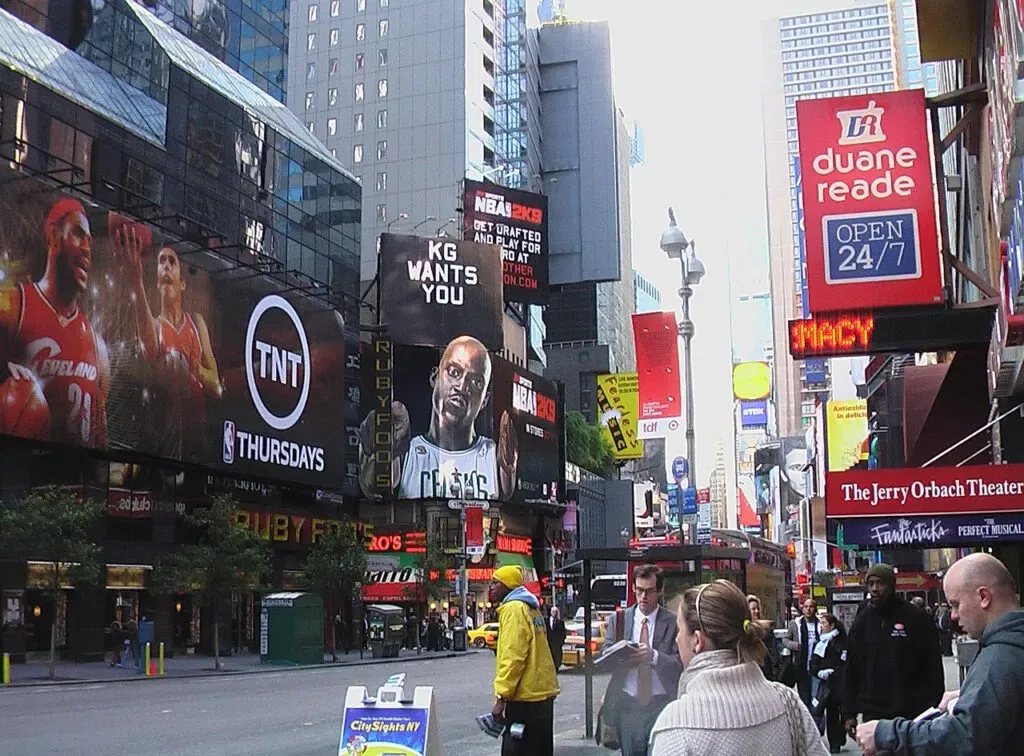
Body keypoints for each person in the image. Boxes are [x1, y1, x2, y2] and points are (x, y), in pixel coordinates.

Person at [856, 552, 1024, 755]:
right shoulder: (1009, 649)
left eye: (955, 604)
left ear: (983, 597)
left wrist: (886, 733)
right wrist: (969, 694)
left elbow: (965, 737)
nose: (953, 615)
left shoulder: (999, 659)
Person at [649, 579, 827, 755]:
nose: (677, 639)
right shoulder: (789, 704)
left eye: (679, 630)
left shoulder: (675, 724)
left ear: (697, 640)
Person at [0, 197, 110, 446]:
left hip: (72, 479)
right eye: (78, 235)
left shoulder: (97, 346)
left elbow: (99, 439)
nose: (87, 249)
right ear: (53, 237)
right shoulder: (12, 306)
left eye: (90, 242)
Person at [357, 335, 518, 499]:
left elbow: (508, 496)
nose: (461, 386)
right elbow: (373, 489)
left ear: (484, 400)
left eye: (476, 382)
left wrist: (508, 471)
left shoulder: (493, 454)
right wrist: (378, 454)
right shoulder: (407, 452)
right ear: (435, 377)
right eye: (454, 372)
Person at [116, 237, 221, 458]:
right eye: (161, 261)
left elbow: (217, 387)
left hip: (198, 438)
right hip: (164, 440)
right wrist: (136, 282)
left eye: (171, 262)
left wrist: (197, 370)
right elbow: (150, 350)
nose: (165, 266)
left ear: (182, 283)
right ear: (156, 282)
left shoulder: (196, 322)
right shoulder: (153, 325)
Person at [843, 563, 943, 738]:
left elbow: (932, 665)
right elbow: (852, 668)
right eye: (871, 583)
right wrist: (848, 713)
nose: (875, 589)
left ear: (891, 585)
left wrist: (935, 705)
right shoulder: (862, 622)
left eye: (880, 583)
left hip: (911, 712)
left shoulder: (916, 618)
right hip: (874, 714)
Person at [600, 565, 683, 756]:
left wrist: (653, 656)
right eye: (639, 590)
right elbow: (604, 657)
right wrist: (622, 656)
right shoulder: (619, 620)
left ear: (660, 591)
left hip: (661, 705)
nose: (643, 597)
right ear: (633, 589)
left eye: (649, 591)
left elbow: (680, 664)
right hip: (628, 705)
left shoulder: (673, 622)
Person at [489, 565, 559, 756]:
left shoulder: (513, 609)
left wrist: (501, 696)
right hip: (542, 695)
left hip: (524, 698)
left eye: (496, 582)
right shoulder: (532, 608)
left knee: (517, 749)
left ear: (508, 585)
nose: (491, 587)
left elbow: (513, 657)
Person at [809, 612, 847, 754]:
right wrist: (819, 673)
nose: (821, 627)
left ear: (832, 626)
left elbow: (845, 661)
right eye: (821, 623)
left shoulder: (841, 641)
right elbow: (814, 664)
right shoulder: (821, 643)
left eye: (824, 623)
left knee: (843, 712)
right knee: (831, 714)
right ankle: (834, 744)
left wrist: (835, 671)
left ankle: (841, 735)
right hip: (828, 685)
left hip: (841, 683)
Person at [783, 596, 821, 709]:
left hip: (816, 668)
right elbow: (785, 639)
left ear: (815, 609)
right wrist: (794, 645)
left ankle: (816, 722)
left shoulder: (820, 625)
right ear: (802, 609)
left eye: (811, 607)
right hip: (801, 667)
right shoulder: (795, 624)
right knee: (804, 699)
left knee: (816, 699)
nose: (808, 609)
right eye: (806, 607)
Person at [746, 594, 779, 681]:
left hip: (766, 672)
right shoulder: (742, 630)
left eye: (757, 609)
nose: (756, 611)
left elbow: (773, 652)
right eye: (753, 609)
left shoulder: (766, 630)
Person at [546, 606, 566, 672]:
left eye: (556, 612)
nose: (555, 613)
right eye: (553, 611)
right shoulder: (546, 621)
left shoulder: (560, 622)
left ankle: (556, 668)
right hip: (549, 644)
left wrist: (561, 643)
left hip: (557, 645)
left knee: (557, 658)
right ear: (551, 612)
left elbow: (563, 634)